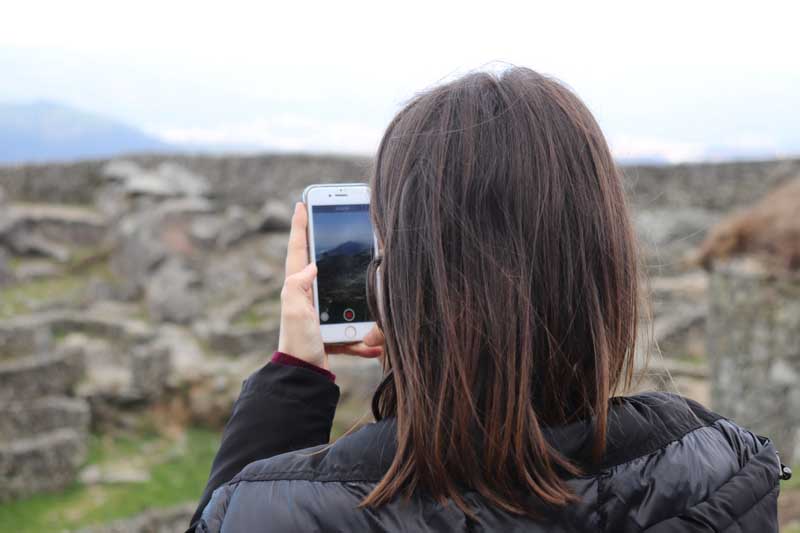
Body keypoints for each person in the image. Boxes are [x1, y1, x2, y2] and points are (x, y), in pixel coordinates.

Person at [188, 67, 786, 532]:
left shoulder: (280, 510)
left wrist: (293, 377)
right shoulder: (717, 464)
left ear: (401, 282)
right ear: (605, 264)